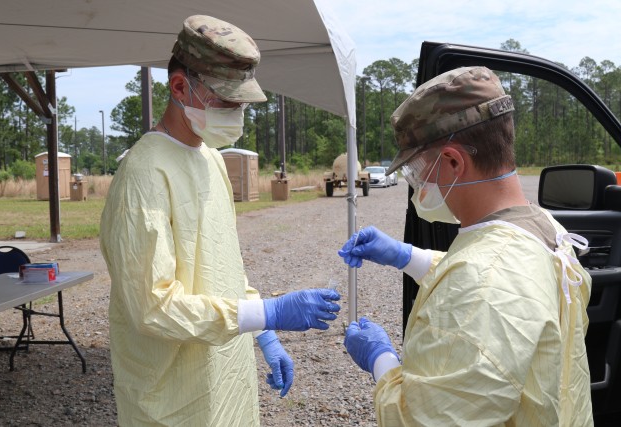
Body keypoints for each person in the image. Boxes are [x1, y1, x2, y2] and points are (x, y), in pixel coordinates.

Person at [100, 15, 341, 426]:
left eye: (242, 102)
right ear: (179, 86)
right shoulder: (144, 174)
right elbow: (152, 307)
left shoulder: (210, 158)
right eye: (228, 101)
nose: (238, 113)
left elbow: (222, 265)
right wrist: (265, 313)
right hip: (172, 399)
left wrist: (264, 334)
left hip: (225, 378)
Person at [338, 66, 593, 426]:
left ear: (454, 162)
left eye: (416, 171)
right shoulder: (543, 226)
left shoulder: (480, 285)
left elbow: (418, 419)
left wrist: (381, 359)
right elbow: (511, 279)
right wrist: (406, 255)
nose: (417, 185)